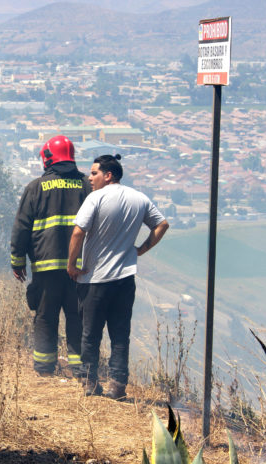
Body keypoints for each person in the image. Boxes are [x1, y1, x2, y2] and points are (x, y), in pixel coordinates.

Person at [67, 154, 169, 399]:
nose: (90, 178)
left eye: (94, 173)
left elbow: (78, 232)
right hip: (125, 279)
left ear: (108, 175)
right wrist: (141, 250)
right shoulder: (139, 198)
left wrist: (72, 264)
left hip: (95, 279)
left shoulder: (96, 198)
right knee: (120, 334)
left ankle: (91, 383)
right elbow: (162, 225)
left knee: (90, 333)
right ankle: (118, 385)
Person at [10, 135, 91, 377]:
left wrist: (17, 261)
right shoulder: (88, 185)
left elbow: (21, 227)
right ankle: (81, 369)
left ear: (48, 158)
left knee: (46, 317)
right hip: (79, 268)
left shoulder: (35, 187)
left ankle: (45, 368)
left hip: (45, 268)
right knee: (78, 318)